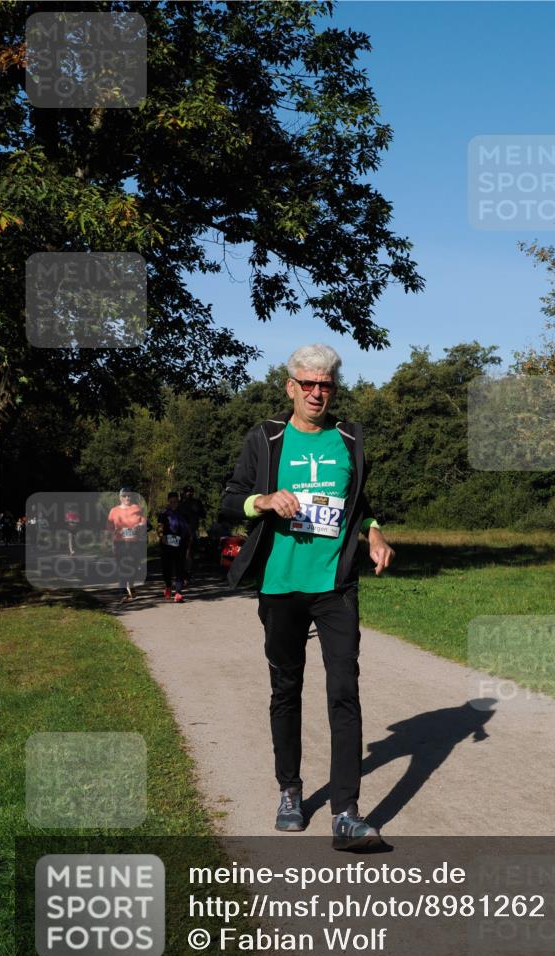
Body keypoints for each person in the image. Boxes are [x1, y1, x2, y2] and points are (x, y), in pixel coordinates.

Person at [222, 344, 395, 850]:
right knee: (286, 689)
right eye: (309, 383)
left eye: (326, 384)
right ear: (290, 386)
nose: (318, 393)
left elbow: (359, 500)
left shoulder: (349, 438)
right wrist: (264, 500)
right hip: (279, 585)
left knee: (344, 690)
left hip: (335, 584)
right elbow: (231, 497)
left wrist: (376, 532)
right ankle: (291, 791)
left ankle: (346, 812)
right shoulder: (267, 438)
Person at [105, 488, 147, 602]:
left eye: (129, 496)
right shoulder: (114, 511)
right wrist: (107, 543)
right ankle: (123, 590)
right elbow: (109, 529)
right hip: (120, 543)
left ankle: (131, 586)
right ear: (120, 497)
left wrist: (139, 525)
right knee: (122, 566)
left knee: (133, 566)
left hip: (134, 543)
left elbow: (144, 522)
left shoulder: (137, 508)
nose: (127, 498)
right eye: (124, 496)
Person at [157, 491, 189, 603]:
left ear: (178, 502)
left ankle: (178, 593)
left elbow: (187, 529)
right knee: (166, 568)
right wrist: (161, 536)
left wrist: (188, 544)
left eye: (175, 502)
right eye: (171, 502)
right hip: (166, 545)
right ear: (168, 502)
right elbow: (160, 526)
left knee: (180, 568)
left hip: (180, 545)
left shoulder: (183, 513)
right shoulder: (164, 513)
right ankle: (168, 586)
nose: (173, 504)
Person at [179, 485, 206, 583]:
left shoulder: (196, 502)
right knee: (183, 553)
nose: (189, 493)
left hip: (192, 530)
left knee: (189, 553)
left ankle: (187, 574)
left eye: (191, 491)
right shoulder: (180, 503)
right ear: (184, 492)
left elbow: (203, 514)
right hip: (181, 531)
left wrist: (197, 511)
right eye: (187, 491)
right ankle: (183, 573)